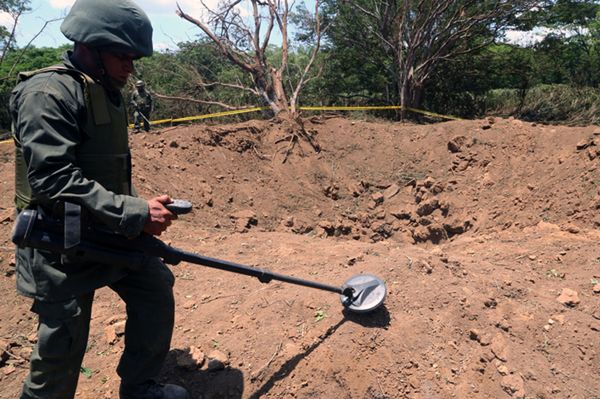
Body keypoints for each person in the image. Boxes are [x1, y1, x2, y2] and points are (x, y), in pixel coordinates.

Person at [9, 0, 189, 398]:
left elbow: (101, 170)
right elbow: (51, 178)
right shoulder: (47, 93)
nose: (130, 67)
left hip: (100, 231)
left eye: (133, 57)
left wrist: (138, 207)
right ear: (89, 46)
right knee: (63, 345)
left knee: (154, 286)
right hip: (56, 243)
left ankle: (140, 387)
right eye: (122, 55)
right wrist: (133, 212)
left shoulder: (106, 89)